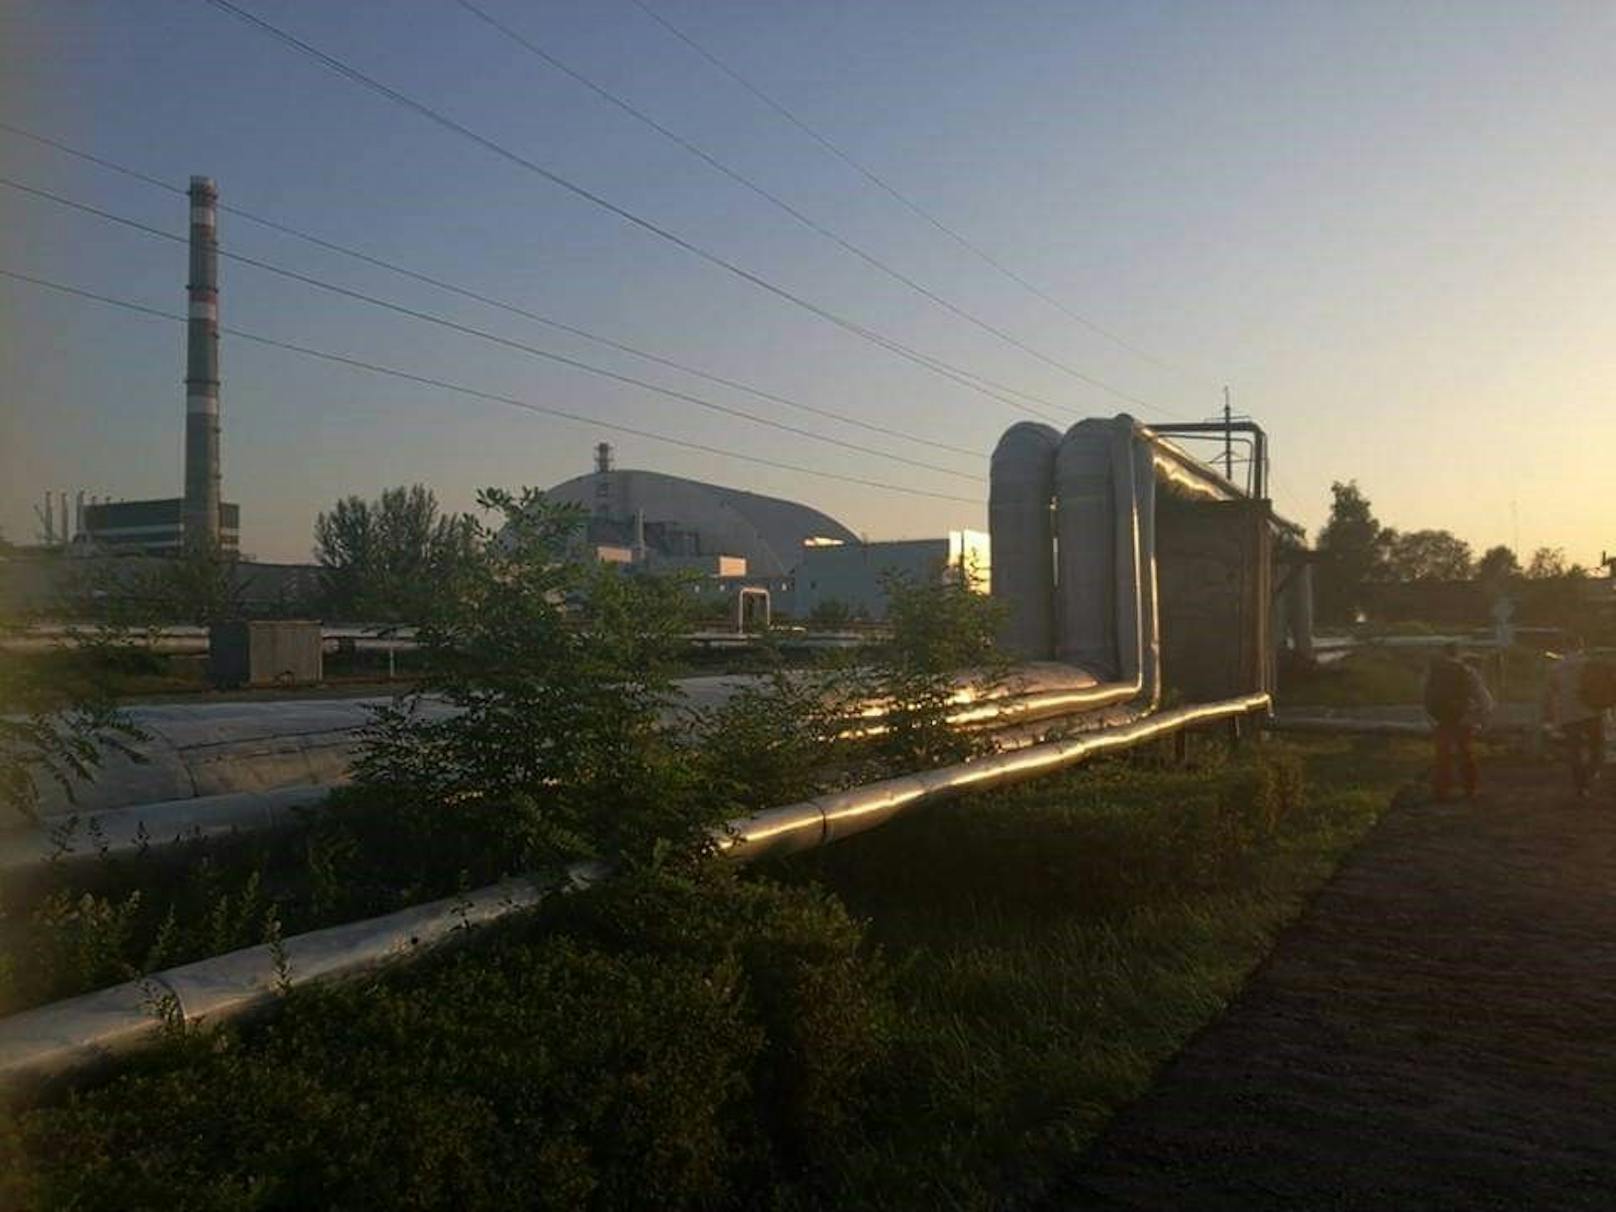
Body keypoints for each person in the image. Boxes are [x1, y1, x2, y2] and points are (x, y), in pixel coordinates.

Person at [1423, 643, 1493, 800]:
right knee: (1465, 753)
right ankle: (1469, 788)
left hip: (1441, 718)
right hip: (1463, 718)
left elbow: (1425, 695)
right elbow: (1484, 698)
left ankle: (1441, 790)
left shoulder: (1434, 672)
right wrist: (1482, 718)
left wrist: (1431, 718)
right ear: (1458, 653)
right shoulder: (1466, 671)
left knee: (1442, 755)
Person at [1542, 637, 1609, 798]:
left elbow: (1551, 692)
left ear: (1565, 647)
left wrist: (1552, 715)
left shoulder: (1556, 668)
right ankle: (1592, 772)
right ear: (1582, 646)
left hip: (1569, 714)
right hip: (1593, 711)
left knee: (1574, 751)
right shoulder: (1590, 664)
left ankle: (1581, 785)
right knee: (1597, 747)